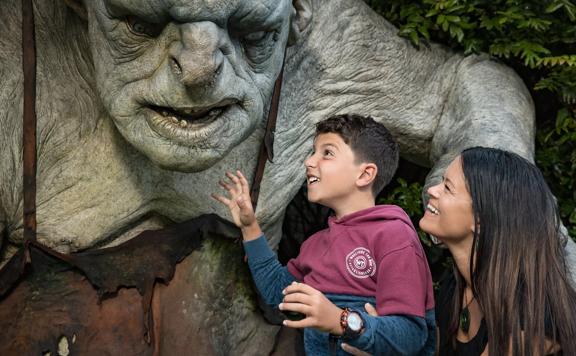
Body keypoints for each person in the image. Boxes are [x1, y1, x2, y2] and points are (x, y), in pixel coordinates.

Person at [213, 114, 435, 355]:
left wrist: (339, 320)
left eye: (327, 153)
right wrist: (249, 227)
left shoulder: (393, 235)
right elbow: (277, 291)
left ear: (364, 174)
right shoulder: (316, 244)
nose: (309, 161)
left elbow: (412, 335)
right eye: (313, 152)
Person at [343, 147, 576, 355]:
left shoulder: (537, 312)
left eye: (447, 187)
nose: (432, 190)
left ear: (480, 219)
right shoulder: (456, 288)